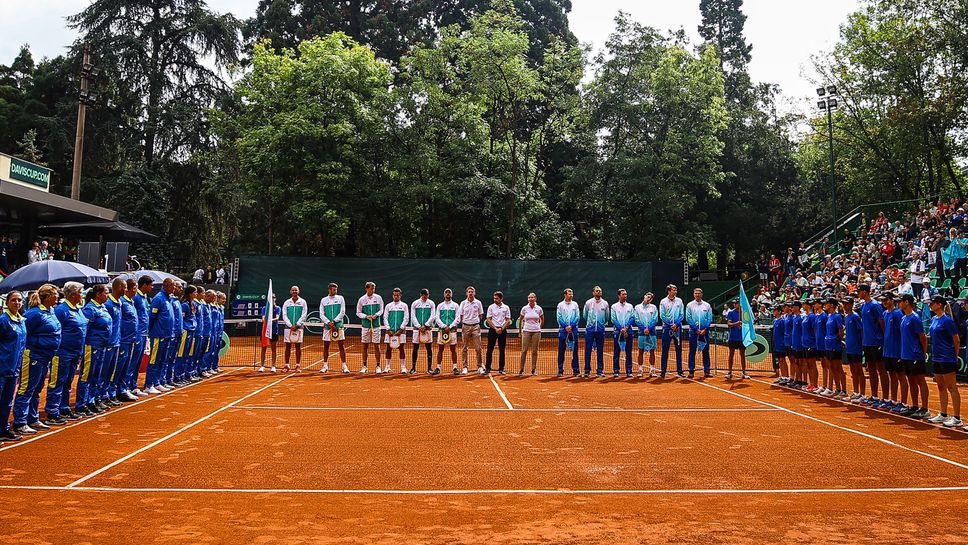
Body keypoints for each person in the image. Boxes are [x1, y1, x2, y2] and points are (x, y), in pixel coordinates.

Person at [11, 284, 60, 435]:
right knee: (26, 388)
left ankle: (33, 418)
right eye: (55, 294)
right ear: (47, 297)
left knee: (37, 388)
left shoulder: (51, 311)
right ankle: (20, 422)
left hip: (46, 356)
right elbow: (23, 333)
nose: (58, 297)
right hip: (33, 355)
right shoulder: (34, 314)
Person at [48, 282, 87, 424]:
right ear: (73, 294)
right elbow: (56, 331)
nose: (82, 295)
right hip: (62, 353)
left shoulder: (78, 309)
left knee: (68, 382)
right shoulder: (61, 310)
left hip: (75, 352)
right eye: (80, 292)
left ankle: (63, 408)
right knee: (57, 382)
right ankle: (53, 411)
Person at [925, 296, 962, 428]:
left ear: (939, 305)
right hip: (937, 357)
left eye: (932, 303)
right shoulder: (934, 319)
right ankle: (943, 414)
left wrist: (954, 356)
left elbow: (956, 340)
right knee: (941, 387)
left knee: (952, 387)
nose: (930, 305)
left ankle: (957, 417)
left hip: (947, 358)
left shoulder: (947, 320)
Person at [78, 284, 112, 416]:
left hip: (101, 346)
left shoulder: (102, 307)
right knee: (87, 375)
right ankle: (82, 404)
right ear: (98, 294)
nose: (107, 295)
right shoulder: (90, 309)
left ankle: (91, 401)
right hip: (91, 347)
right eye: (106, 293)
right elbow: (85, 329)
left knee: (96, 375)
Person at [898, 294, 930, 419]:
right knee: (911, 381)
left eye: (900, 301)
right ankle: (915, 406)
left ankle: (925, 408)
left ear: (906, 302)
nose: (899, 304)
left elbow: (922, 337)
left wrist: (922, 353)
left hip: (915, 355)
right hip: (906, 354)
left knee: (920, 380)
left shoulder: (915, 318)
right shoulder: (904, 318)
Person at [0, 290, 27, 443]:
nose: (17, 303)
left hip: (14, 368)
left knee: (7, 401)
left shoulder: (22, 321)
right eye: (13, 300)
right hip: (2, 368)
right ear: (7, 302)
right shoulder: (3, 321)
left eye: (19, 300)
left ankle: (3, 429)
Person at [857, 284, 888, 407]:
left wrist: (884, 339)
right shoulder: (864, 305)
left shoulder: (875, 305)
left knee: (881, 369)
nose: (858, 293)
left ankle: (885, 399)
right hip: (867, 342)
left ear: (865, 292)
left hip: (877, 342)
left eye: (859, 291)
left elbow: (881, 322)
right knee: (871, 369)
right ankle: (874, 396)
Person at [145, 278, 176, 394]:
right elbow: (152, 317)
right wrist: (152, 331)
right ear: (167, 286)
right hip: (158, 335)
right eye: (172, 286)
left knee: (162, 360)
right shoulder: (158, 298)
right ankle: (149, 384)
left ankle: (157, 383)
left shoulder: (169, 298)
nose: (174, 288)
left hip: (167, 335)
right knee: (154, 360)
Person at [879, 293, 908, 414]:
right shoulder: (885, 314)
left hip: (896, 350)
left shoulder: (897, 314)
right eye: (883, 300)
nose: (884, 302)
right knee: (892, 376)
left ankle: (904, 402)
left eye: (886, 300)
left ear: (892, 300)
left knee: (901, 376)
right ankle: (894, 400)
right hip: (888, 350)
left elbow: (901, 333)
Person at [99, 278, 125, 407]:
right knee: (103, 372)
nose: (125, 290)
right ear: (119, 287)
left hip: (116, 342)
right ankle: (100, 396)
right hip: (108, 343)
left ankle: (108, 394)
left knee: (112, 372)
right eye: (124, 287)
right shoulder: (108, 304)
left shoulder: (119, 303)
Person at [113, 279, 141, 402]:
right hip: (123, 339)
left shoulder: (131, 302)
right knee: (118, 367)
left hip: (131, 339)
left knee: (126, 366)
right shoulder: (122, 302)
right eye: (135, 287)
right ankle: (114, 391)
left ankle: (123, 389)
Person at [130, 276, 153, 396]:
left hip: (144, 333)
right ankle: (130, 386)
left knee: (138, 361)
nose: (152, 287)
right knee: (133, 361)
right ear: (144, 285)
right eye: (150, 285)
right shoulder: (136, 298)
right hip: (138, 333)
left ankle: (133, 385)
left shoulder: (144, 297)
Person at [685, 288, 713, 379]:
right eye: (695, 293)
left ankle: (707, 371)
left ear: (702, 294)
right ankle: (691, 371)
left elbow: (709, 318)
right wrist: (696, 329)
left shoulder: (707, 305)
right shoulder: (689, 305)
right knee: (692, 352)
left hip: (705, 332)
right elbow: (688, 318)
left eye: (699, 293)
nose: (697, 294)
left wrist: (705, 329)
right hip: (693, 332)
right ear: (694, 294)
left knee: (706, 352)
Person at [319, 284, 347, 374]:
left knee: (341, 346)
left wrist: (334, 321)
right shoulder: (323, 300)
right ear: (329, 290)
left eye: (336, 289)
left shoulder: (340, 298)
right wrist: (328, 322)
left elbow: (342, 312)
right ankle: (325, 366)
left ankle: (344, 366)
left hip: (338, 326)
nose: (335, 291)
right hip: (327, 327)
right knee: (326, 346)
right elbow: (321, 314)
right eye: (334, 289)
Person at [356, 282, 384, 374]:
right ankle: (364, 366)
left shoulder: (378, 298)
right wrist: (366, 316)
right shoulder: (361, 299)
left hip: (376, 325)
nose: (373, 290)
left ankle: (378, 366)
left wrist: (376, 315)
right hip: (365, 326)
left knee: (377, 345)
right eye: (372, 288)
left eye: (374, 288)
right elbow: (358, 312)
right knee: (365, 346)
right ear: (367, 289)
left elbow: (381, 310)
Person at [174, 285, 198, 385]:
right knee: (181, 354)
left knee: (188, 354)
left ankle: (183, 375)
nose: (196, 294)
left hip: (192, 331)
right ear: (190, 293)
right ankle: (177, 376)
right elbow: (181, 319)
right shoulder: (184, 305)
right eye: (194, 292)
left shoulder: (193, 304)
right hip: (185, 331)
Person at [659, 284, 684, 378]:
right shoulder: (663, 301)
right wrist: (670, 325)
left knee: (679, 350)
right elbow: (662, 315)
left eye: (676, 290)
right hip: (667, 328)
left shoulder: (679, 301)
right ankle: (663, 371)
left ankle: (680, 371)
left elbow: (681, 314)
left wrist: (676, 324)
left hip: (677, 328)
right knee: (665, 350)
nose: (675, 291)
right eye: (674, 290)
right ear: (669, 291)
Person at [582, 286, 608, 378]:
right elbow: (585, 315)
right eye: (597, 291)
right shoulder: (588, 303)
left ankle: (600, 371)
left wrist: (601, 324)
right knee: (588, 350)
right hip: (590, 330)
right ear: (593, 293)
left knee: (600, 351)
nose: (599, 292)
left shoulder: (605, 303)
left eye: (600, 291)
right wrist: (590, 324)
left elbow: (607, 317)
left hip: (600, 330)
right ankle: (587, 371)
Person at [823, 298, 846, 398]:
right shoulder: (829, 316)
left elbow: (840, 330)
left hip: (835, 345)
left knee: (838, 367)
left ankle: (844, 390)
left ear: (832, 305)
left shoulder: (837, 316)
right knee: (832, 367)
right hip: (828, 344)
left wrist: (838, 340)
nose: (825, 305)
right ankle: (838, 389)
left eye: (827, 303)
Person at [383, 288, 410, 374]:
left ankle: (403, 367)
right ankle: (387, 367)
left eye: (397, 295)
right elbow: (385, 318)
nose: (396, 296)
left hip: (400, 332)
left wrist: (401, 329)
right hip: (390, 332)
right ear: (392, 295)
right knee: (388, 349)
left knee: (401, 349)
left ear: (400, 295)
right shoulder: (388, 306)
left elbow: (406, 318)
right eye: (394, 295)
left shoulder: (404, 306)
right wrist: (388, 329)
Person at [843, 298, 865, 402]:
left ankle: (862, 394)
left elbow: (861, 331)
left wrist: (861, 345)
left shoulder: (855, 316)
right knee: (852, 369)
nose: (845, 306)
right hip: (850, 347)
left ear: (851, 305)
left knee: (859, 370)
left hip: (856, 347)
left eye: (847, 304)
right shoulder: (847, 316)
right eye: (844, 304)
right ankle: (856, 392)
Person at [282, 285, 308, 372]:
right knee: (287, 347)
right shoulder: (286, 302)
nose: (294, 292)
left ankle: (297, 365)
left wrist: (297, 324)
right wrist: (290, 325)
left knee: (298, 347)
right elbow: (284, 315)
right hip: (288, 327)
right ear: (290, 292)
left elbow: (304, 314)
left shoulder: (303, 302)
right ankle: (286, 365)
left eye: (296, 290)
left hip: (299, 327)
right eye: (293, 290)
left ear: (298, 291)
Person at [459, 287, 484, 375]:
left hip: (476, 327)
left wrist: (474, 322)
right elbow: (461, 315)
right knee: (465, 348)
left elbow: (480, 315)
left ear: (474, 293)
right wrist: (466, 323)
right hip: (465, 327)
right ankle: (465, 367)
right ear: (466, 293)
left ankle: (479, 367)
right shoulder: (463, 303)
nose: (470, 293)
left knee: (478, 348)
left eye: (472, 292)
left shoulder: (478, 303)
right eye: (469, 292)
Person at [410, 289, 436, 374]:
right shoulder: (415, 303)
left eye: (427, 295)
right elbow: (413, 316)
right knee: (415, 348)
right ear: (421, 295)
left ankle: (429, 368)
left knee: (429, 348)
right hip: (417, 330)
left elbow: (433, 316)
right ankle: (413, 368)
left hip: (427, 329)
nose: (425, 296)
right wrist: (418, 326)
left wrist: (425, 325)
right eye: (424, 295)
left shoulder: (431, 303)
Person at [556, 288, 581, 377]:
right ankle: (560, 370)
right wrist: (565, 327)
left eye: (572, 293)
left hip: (573, 330)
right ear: (565, 295)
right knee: (561, 351)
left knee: (575, 351)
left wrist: (572, 326)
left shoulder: (575, 304)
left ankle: (576, 370)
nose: (571, 295)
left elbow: (577, 317)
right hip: (563, 330)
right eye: (569, 293)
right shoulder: (560, 305)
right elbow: (559, 318)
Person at [435, 288, 460, 375]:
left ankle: (455, 367)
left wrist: (450, 326)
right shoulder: (440, 306)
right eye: (446, 292)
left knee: (453, 349)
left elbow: (457, 318)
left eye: (449, 292)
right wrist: (444, 326)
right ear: (444, 294)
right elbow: (437, 318)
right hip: (442, 331)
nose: (448, 294)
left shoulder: (456, 305)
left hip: (452, 331)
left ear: (451, 294)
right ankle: (438, 367)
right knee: (440, 349)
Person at [486, 291, 511, 375]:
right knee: (489, 349)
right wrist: (495, 328)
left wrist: (502, 328)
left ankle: (501, 368)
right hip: (493, 330)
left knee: (502, 350)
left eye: (496, 298)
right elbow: (488, 319)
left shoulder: (506, 307)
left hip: (502, 330)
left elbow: (508, 320)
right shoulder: (491, 307)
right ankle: (487, 368)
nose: (495, 300)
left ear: (501, 298)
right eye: (494, 298)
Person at [610, 289, 634, 378]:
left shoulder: (630, 306)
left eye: (626, 294)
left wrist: (626, 328)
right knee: (617, 351)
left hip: (629, 331)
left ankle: (629, 371)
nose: (625, 296)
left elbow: (632, 318)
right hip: (618, 332)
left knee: (629, 352)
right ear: (619, 296)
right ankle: (616, 371)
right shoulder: (614, 306)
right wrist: (621, 329)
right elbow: (613, 319)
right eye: (623, 294)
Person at [519, 292, 544, 376]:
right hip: (526, 331)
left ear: (535, 298)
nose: (530, 299)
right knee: (524, 351)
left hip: (536, 332)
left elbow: (542, 319)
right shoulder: (524, 308)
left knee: (534, 351)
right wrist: (520, 331)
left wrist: (539, 327)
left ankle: (533, 370)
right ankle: (521, 370)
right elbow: (521, 320)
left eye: (532, 297)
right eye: (529, 297)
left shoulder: (539, 309)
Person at [725, 298, 749, 380]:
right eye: (734, 303)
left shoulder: (745, 313)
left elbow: (748, 324)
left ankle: (744, 371)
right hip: (733, 337)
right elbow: (729, 324)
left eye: (736, 303)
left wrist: (744, 326)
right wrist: (736, 323)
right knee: (731, 354)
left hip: (742, 337)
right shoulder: (731, 313)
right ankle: (729, 371)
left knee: (742, 355)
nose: (734, 304)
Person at [259, 295, 282, 373]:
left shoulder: (278, 308)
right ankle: (262, 366)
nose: (272, 299)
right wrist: (267, 321)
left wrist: (270, 320)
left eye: (273, 298)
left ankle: (273, 366)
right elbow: (263, 319)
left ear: (275, 299)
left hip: (274, 331)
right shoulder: (264, 309)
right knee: (263, 349)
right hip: (265, 331)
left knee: (273, 349)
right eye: (270, 298)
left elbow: (277, 318)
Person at [771, 305, 788, 385]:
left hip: (781, 344)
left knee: (782, 360)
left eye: (775, 310)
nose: (773, 312)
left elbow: (784, 333)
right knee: (780, 361)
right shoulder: (774, 321)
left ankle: (786, 377)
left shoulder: (782, 321)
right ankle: (782, 376)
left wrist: (783, 343)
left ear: (779, 312)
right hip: (776, 344)